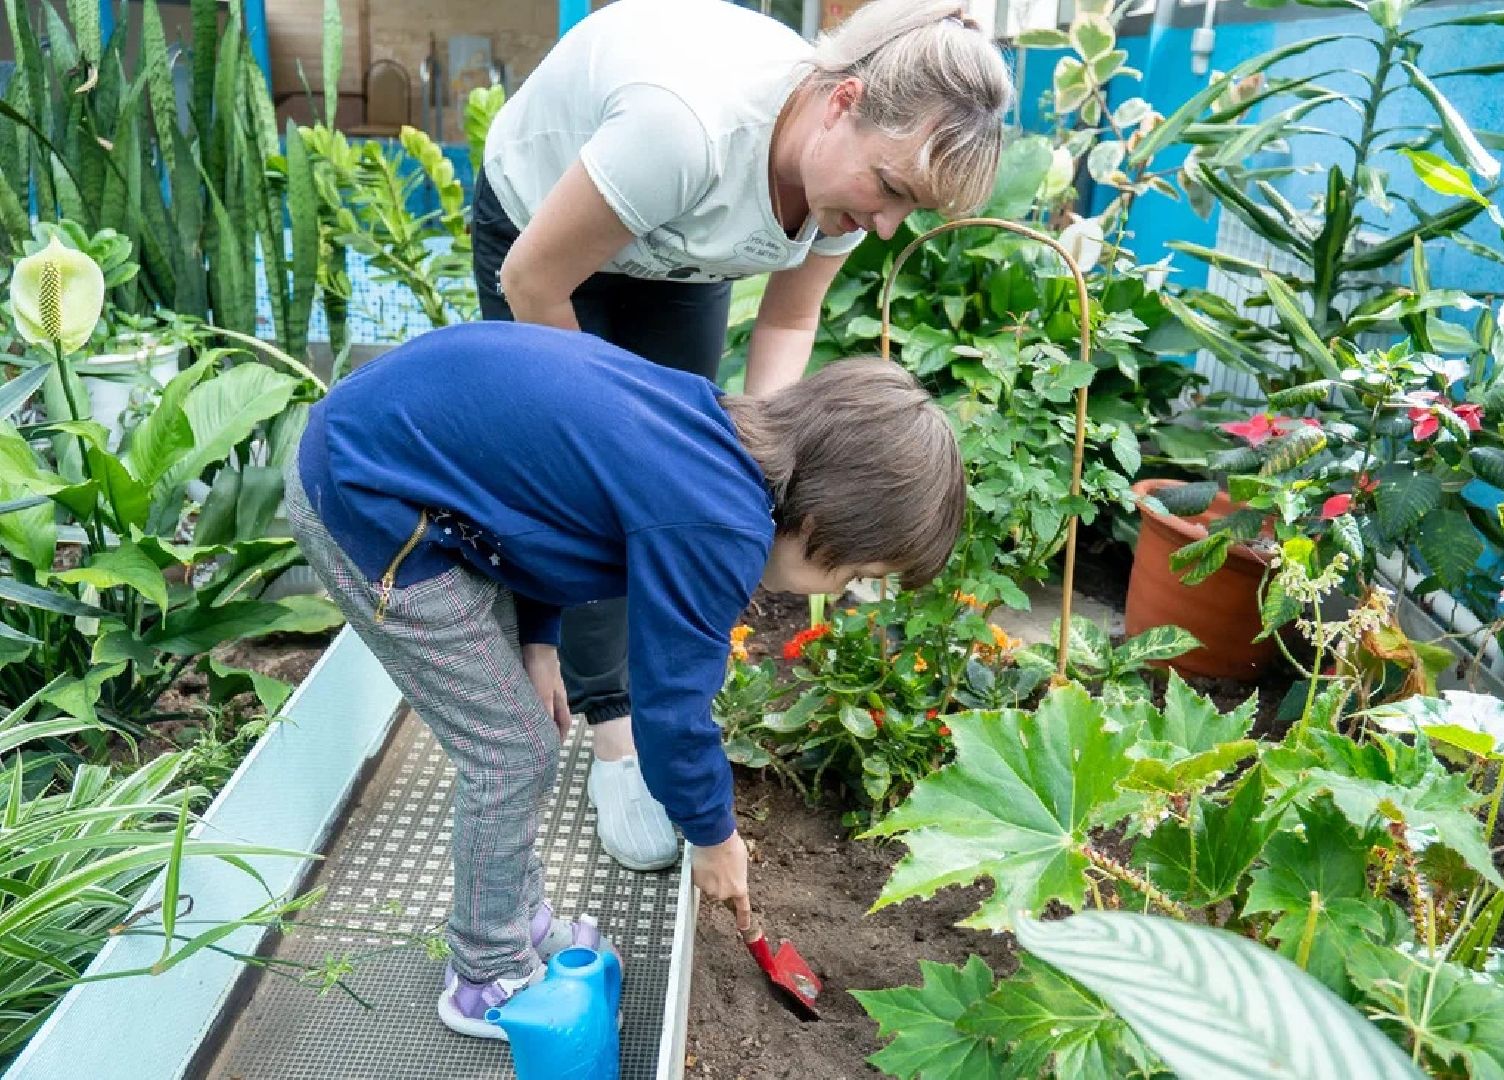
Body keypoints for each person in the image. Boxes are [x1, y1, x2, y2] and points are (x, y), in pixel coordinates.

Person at [283, 320, 965, 1039]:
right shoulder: (720, 525)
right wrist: (713, 837)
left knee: (524, 734)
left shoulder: (711, 436)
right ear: (825, 518)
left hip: (397, 461)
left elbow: (539, 505)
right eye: (855, 572)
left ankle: (512, 920)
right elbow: (671, 713)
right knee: (510, 751)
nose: (842, 587)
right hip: (367, 498)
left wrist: (539, 642)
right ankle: (482, 975)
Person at [471, 0, 1011, 872]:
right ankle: (612, 737)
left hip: (681, 246)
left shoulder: (846, 191)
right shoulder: (684, 129)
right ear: (842, 103)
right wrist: (611, 459)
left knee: (681, 468)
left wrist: (763, 488)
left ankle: (641, 711)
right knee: (597, 485)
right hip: (547, 225)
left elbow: (787, 326)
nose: (885, 227)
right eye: (891, 191)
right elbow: (532, 280)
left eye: (910, 209)